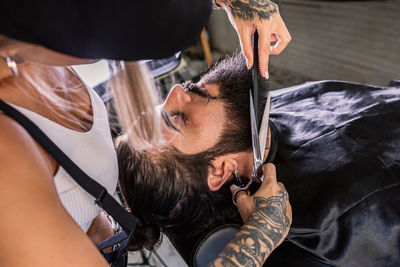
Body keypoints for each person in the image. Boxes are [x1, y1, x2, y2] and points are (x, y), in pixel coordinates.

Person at [1, 0, 292, 266]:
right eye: (177, 118)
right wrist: (257, 240)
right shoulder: (8, 157)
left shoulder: (40, 42)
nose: (176, 90)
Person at [117, 53, 400, 266]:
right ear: (220, 171)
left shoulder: (246, 118)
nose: (176, 91)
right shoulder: (322, 225)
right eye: (177, 118)